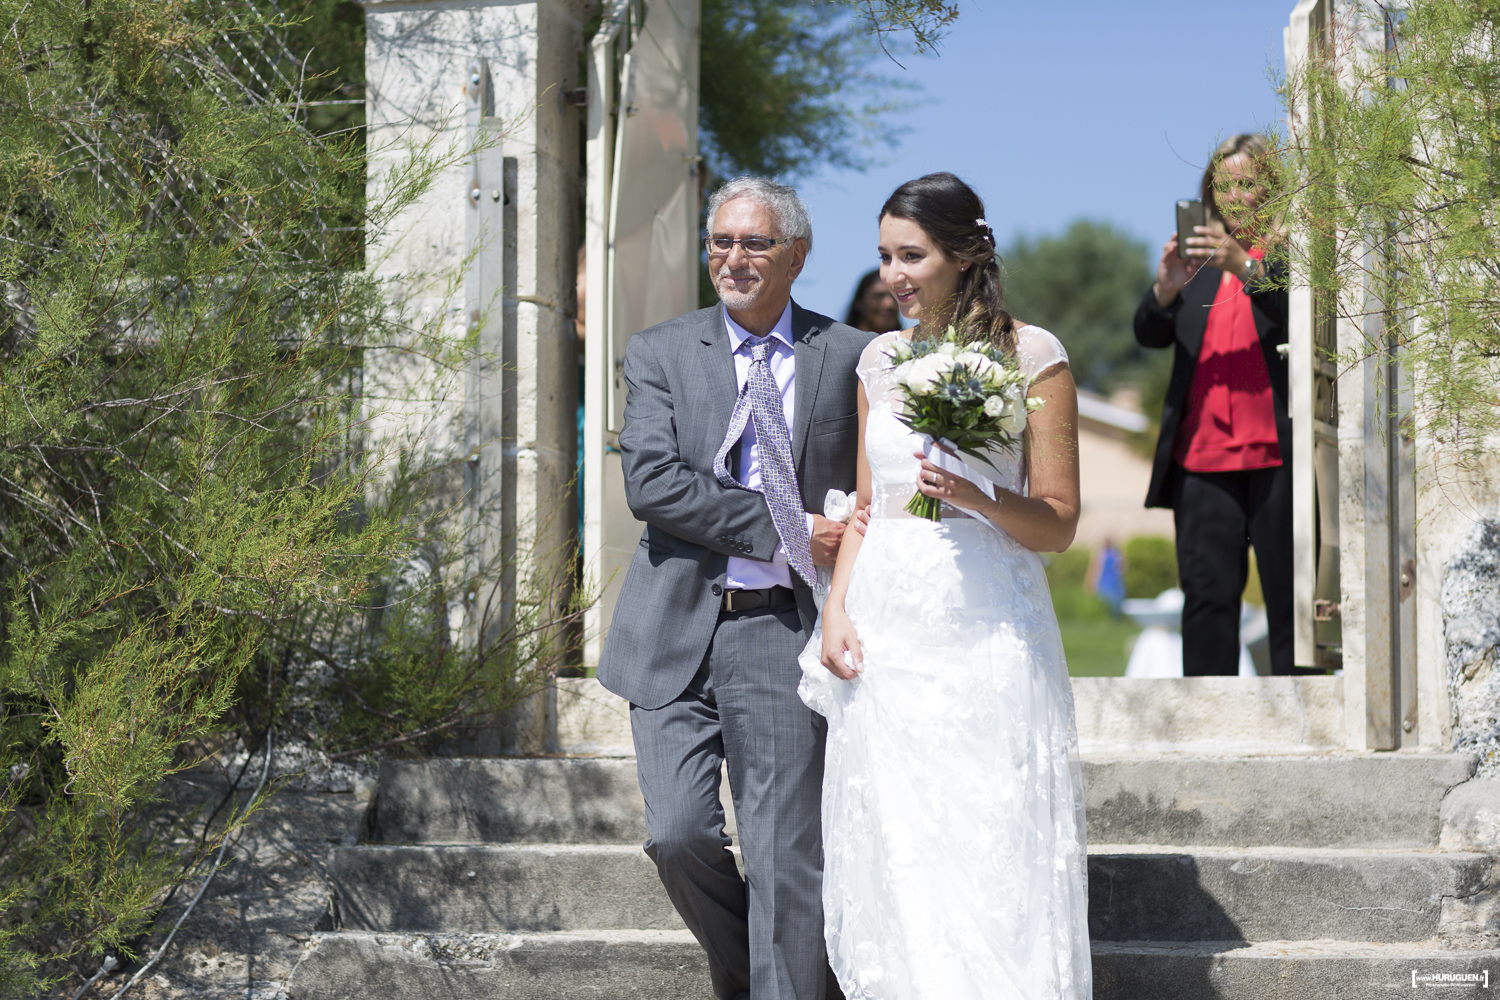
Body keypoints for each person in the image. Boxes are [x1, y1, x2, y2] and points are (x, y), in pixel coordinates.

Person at [803, 172, 1091, 999]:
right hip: (889, 626)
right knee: (900, 840)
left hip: (986, 621)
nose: (893, 275)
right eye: (885, 257)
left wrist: (976, 494)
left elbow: (1060, 523)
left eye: (912, 256)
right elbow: (867, 509)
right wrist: (836, 609)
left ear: (964, 254)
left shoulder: (1033, 356)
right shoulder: (878, 361)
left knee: (988, 827)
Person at [597, 176, 873, 1000]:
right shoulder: (660, 352)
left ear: (797, 255)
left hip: (781, 631)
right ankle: (760, 973)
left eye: (755, 243)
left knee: (785, 855)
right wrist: (786, 529)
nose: (733, 258)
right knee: (677, 836)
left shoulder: (851, 356)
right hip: (670, 628)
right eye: (721, 242)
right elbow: (652, 483)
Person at [1133, 133, 1293, 676]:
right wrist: (1165, 289)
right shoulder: (1196, 263)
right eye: (1223, 186)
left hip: (1279, 456)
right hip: (1201, 459)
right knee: (1206, 599)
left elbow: (1305, 316)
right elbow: (1148, 334)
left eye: (1248, 184)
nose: (1235, 197)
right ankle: (1207, 717)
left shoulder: (1292, 254)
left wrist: (1243, 265)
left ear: (1271, 187)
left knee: (1289, 599)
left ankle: (1300, 716)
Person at [843, 269, 901, 333]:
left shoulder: (907, 339)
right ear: (859, 302)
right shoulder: (838, 338)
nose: (889, 304)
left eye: (895, 297)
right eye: (878, 296)